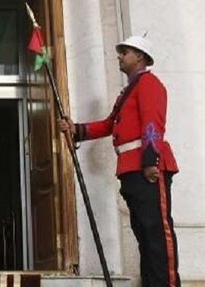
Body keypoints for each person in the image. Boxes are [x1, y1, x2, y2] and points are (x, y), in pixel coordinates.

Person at [59, 35, 180, 287]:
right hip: (130, 169)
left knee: (157, 234)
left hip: (147, 167)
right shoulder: (128, 91)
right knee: (144, 234)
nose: (119, 56)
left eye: (125, 52)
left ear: (140, 56)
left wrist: (150, 160)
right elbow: (109, 124)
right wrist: (77, 129)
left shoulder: (149, 83)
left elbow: (152, 122)